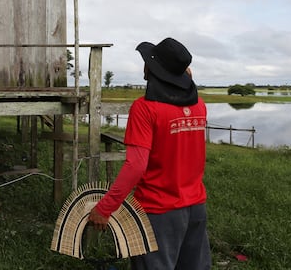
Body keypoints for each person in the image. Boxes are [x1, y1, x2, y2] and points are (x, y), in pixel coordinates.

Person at [88, 37, 211, 270]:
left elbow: (136, 166)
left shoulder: (145, 109)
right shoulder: (199, 106)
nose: (144, 65)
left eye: (148, 61)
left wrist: (104, 208)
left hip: (158, 212)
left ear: (153, 69)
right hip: (196, 208)